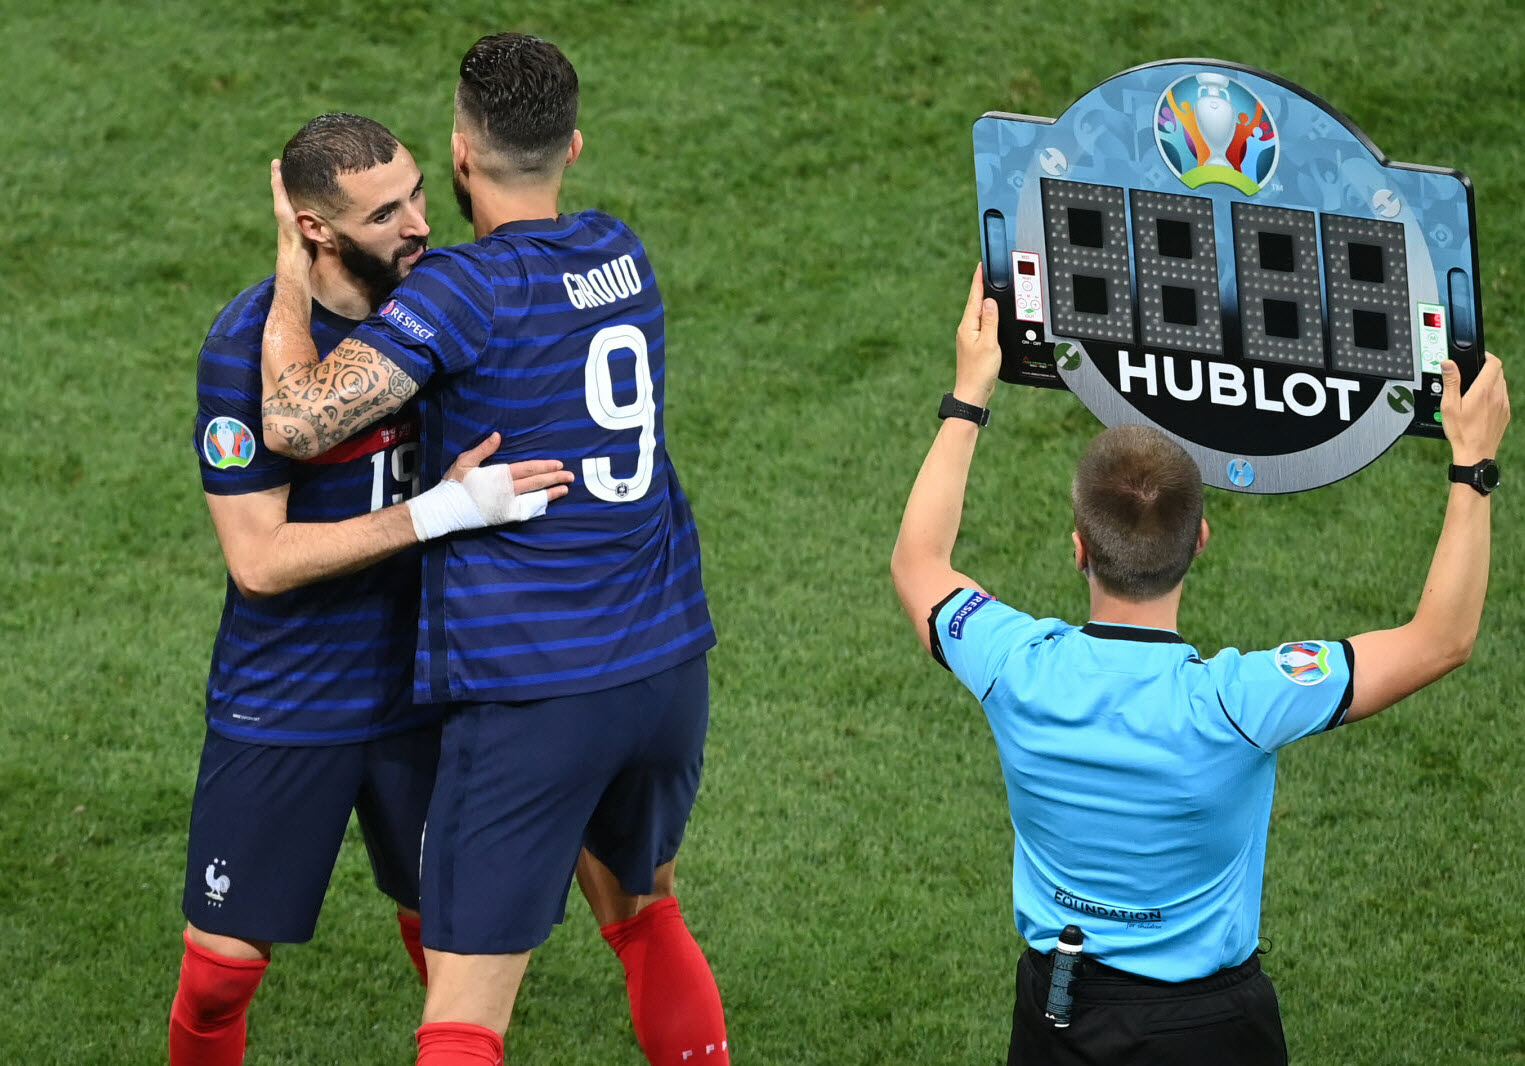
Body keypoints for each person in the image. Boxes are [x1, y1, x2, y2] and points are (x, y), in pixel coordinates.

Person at [890, 266, 1509, 1064]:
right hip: (1211, 1033)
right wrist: (1472, 466)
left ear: (1078, 547)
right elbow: (1440, 639)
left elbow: (919, 563)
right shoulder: (1239, 702)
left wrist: (968, 394)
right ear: (1201, 543)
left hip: (1056, 1018)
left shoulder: (1013, 664)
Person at [256, 35, 729, 1066]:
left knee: (464, 1013)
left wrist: (293, 276)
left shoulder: (462, 293)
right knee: (646, 914)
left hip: (534, 692)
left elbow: (295, 422)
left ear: (461, 156)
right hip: (663, 667)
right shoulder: (623, 253)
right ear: (572, 145)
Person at [174, 112, 573, 1066]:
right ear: (315, 227)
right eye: (385, 211)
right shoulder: (241, 352)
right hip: (286, 697)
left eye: (418, 192)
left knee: (449, 940)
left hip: (425, 690)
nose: (419, 223)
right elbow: (260, 561)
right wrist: (440, 512)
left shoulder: (436, 305)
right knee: (220, 972)